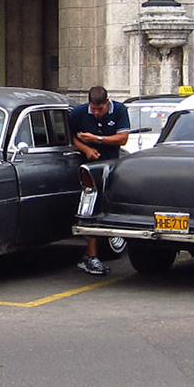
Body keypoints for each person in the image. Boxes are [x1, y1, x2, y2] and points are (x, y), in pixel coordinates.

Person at [70, 86, 130, 276]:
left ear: (107, 102)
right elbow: (71, 137)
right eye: (93, 109)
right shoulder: (78, 113)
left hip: (111, 165)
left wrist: (97, 139)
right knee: (91, 209)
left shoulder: (119, 110)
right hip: (88, 168)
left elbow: (122, 138)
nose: (96, 113)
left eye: (100, 109)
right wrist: (86, 149)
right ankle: (91, 256)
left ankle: (101, 250)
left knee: (110, 207)